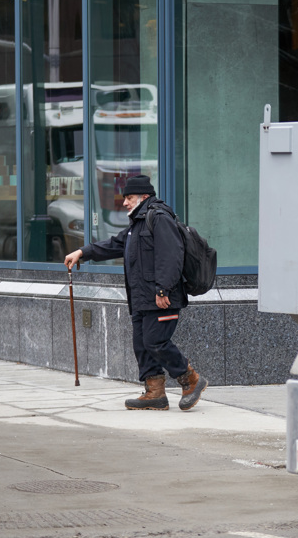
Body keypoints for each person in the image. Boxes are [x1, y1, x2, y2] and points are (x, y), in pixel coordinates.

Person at [63, 175, 208, 411]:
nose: (125, 203)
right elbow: (113, 244)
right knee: (142, 344)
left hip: (162, 297)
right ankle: (155, 394)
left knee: (155, 341)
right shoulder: (138, 224)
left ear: (144, 196)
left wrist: (163, 289)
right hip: (142, 299)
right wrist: (82, 251)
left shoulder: (159, 218)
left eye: (129, 198)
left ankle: (191, 379)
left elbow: (170, 256)